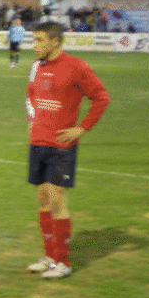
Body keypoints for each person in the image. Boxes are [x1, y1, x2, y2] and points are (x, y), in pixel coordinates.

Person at [25, 22, 110, 279]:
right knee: (42, 198)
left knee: (57, 199)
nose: (34, 45)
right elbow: (30, 96)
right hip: (38, 141)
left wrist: (82, 128)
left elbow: (101, 97)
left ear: (55, 42)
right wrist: (33, 123)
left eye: (40, 40)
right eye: (34, 40)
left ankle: (63, 261)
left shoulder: (76, 66)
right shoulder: (35, 67)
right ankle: (49, 255)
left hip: (62, 145)